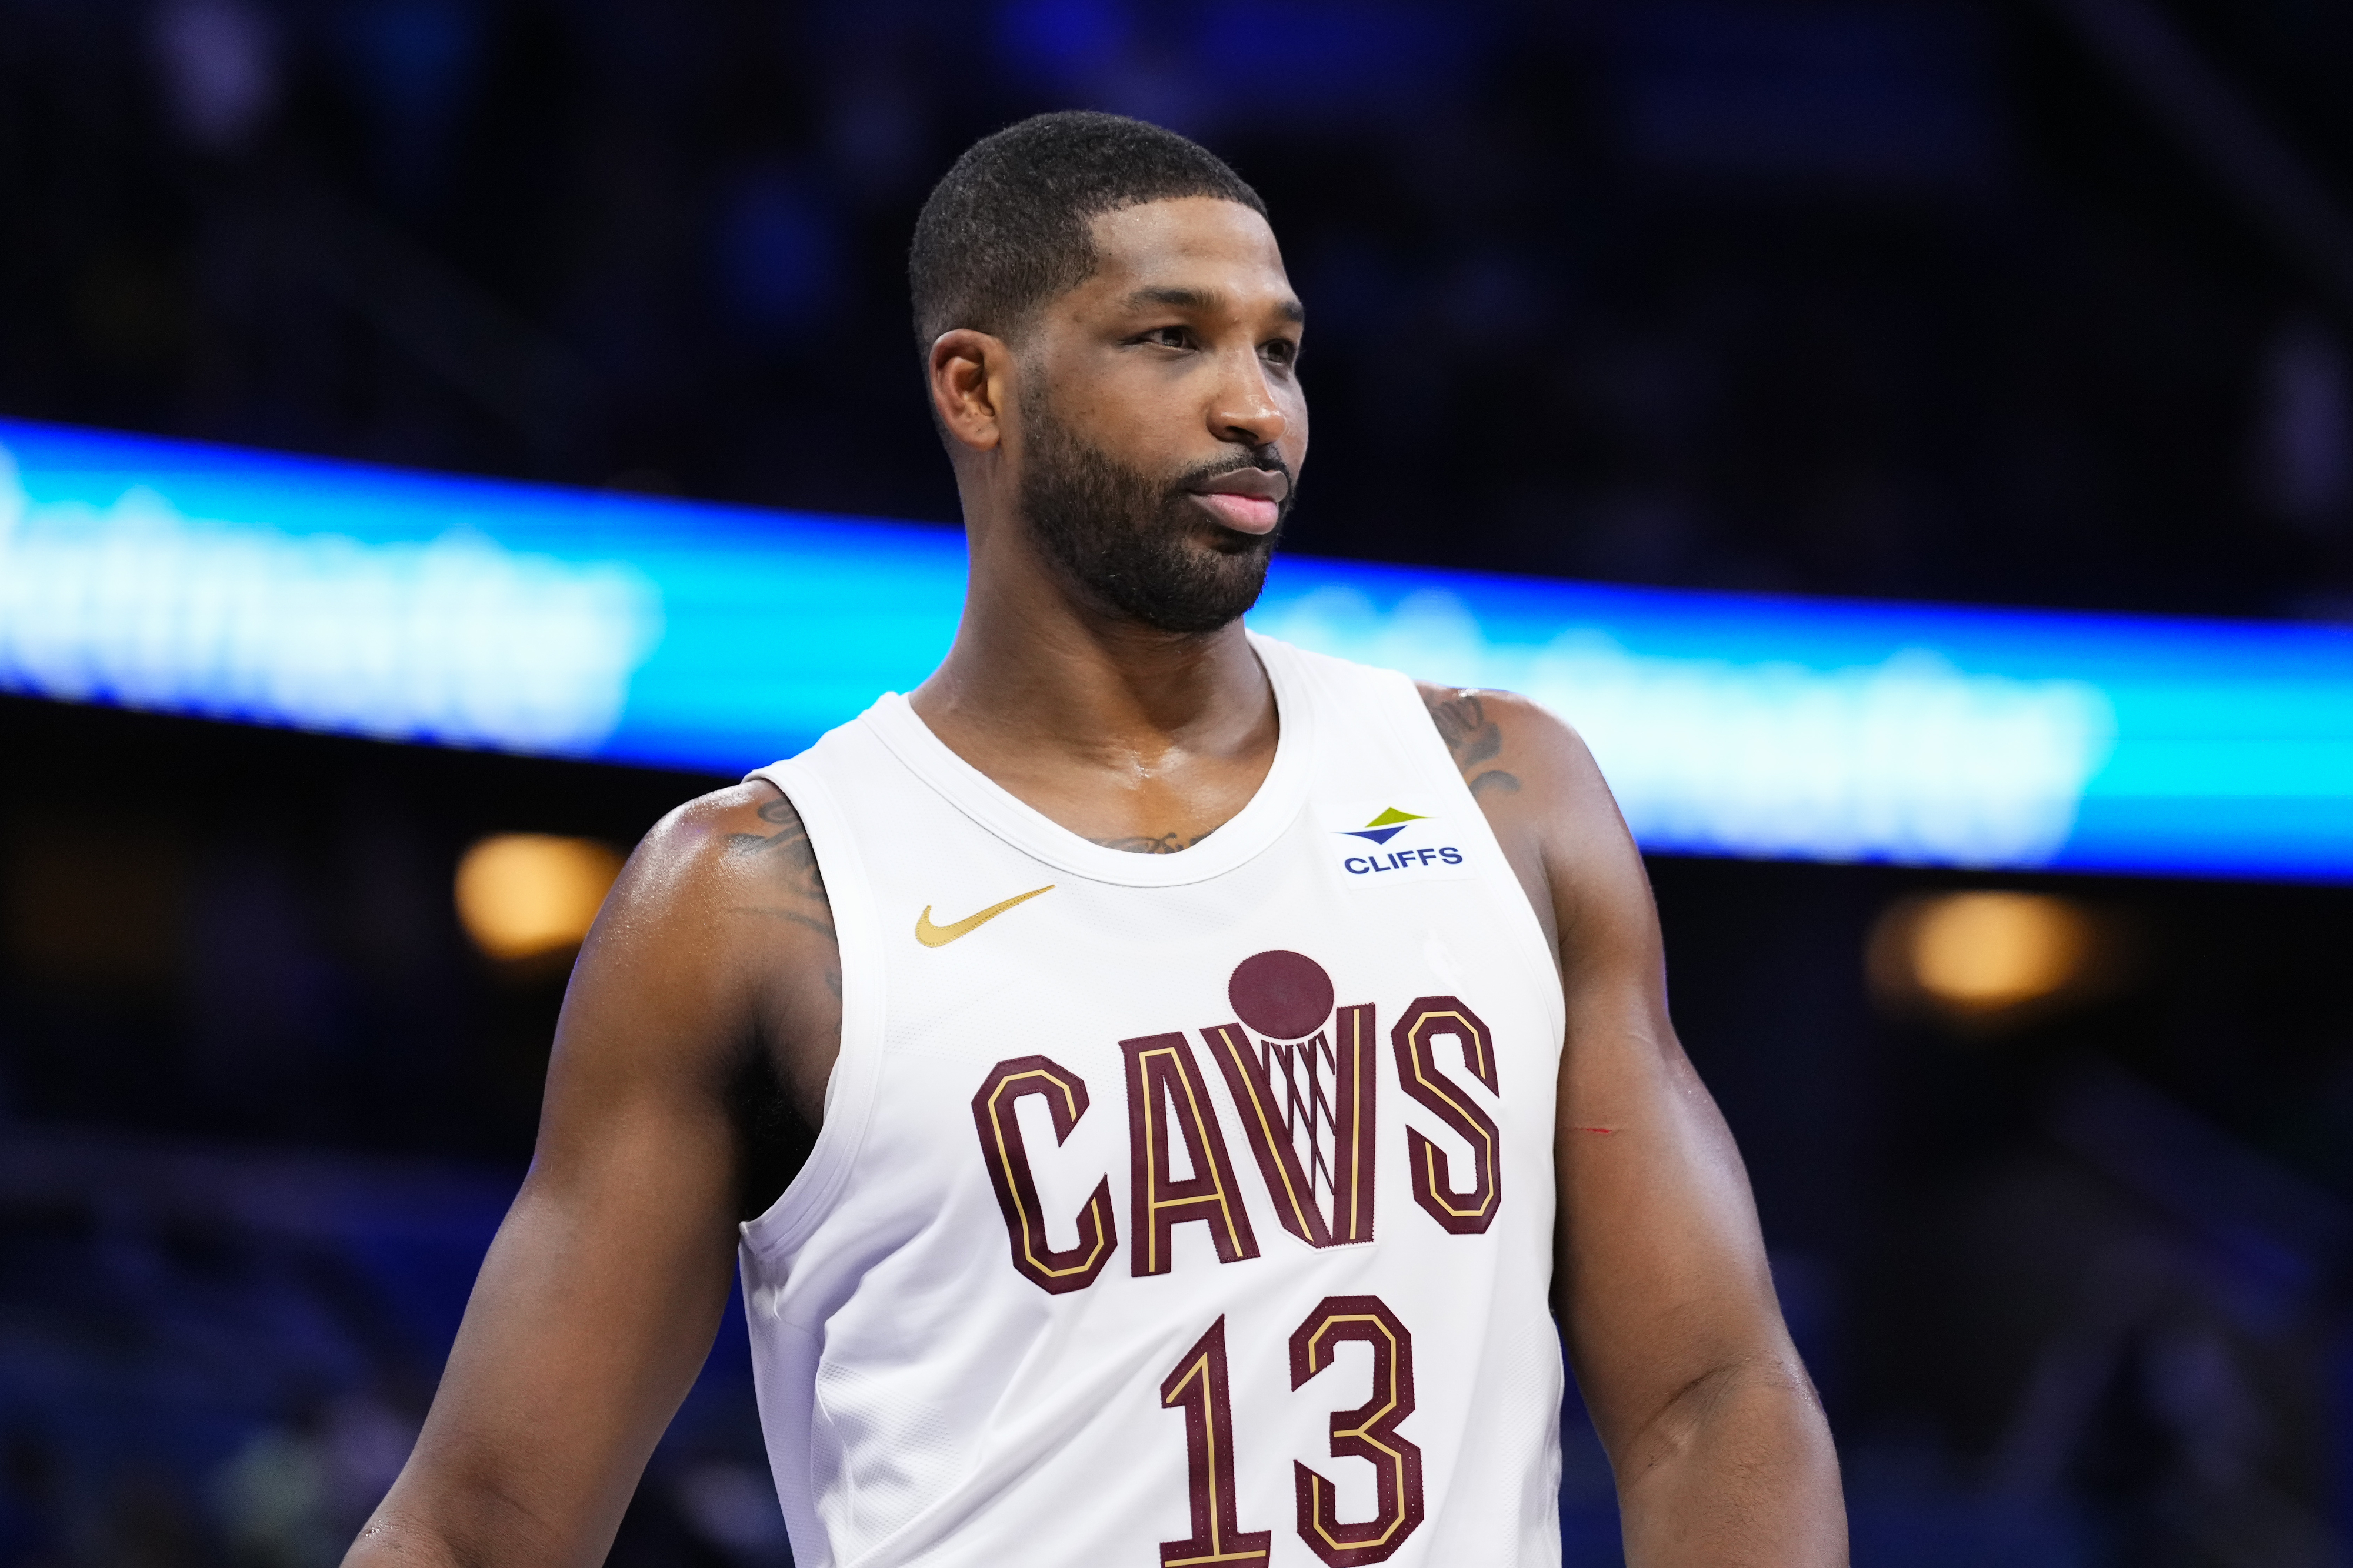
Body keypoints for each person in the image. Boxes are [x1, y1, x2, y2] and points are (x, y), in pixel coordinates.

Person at [347, 111, 1845, 1567]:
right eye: (1170, 338)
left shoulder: (1502, 796)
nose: (1255, 403)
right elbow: (481, 1527)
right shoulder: (755, 898)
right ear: (976, 388)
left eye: (1279, 347)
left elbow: (1709, 1395)